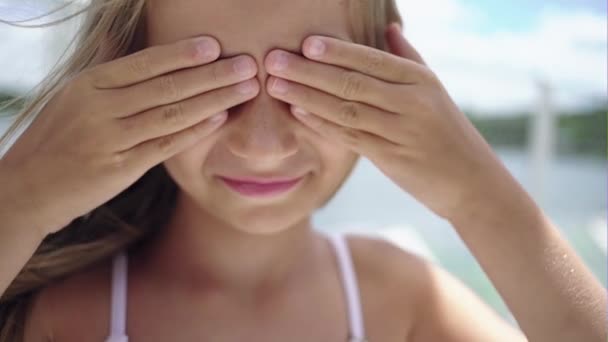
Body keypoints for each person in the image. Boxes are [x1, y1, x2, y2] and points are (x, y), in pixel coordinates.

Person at [0, 0, 605, 341]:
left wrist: (481, 195)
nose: (264, 146)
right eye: (210, 89)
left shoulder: (407, 301)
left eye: (312, 87)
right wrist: (19, 197)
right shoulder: (58, 318)